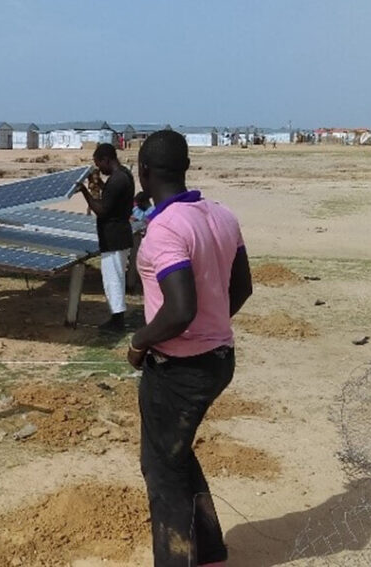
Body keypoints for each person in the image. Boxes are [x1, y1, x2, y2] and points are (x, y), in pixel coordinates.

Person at [126, 130, 252, 567]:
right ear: (183, 169)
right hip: (220, 359)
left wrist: (140, 342)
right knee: (176, 456)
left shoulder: (164, 229)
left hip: (179, 370)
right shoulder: (221, 215)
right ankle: (210, 553)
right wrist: (212, 326)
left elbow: (179, 310)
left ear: (143, 172)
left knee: (161, 471)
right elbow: (242, 288)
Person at [79, 143, 135, 332]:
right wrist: (100, 185)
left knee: (113, 279)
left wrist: (84, 192)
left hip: (114, 237)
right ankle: (116, 317)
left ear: (106, 160)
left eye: (99, 163)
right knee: (116, 277)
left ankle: (117, 320)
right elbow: (112, 198)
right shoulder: (124, 175)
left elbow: (102, 210)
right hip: (120, 234)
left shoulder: (117, 180)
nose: (99, 168)